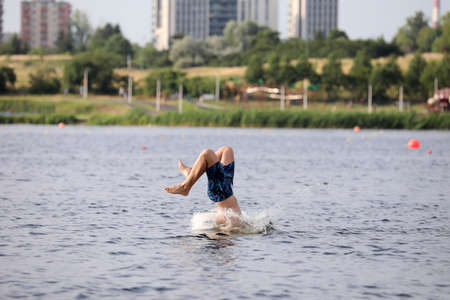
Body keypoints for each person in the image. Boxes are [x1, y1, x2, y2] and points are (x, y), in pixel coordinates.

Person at [164, 146, 242, 228]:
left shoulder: (230, 223)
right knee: (226, 150)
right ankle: (192, 173)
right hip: (227, 189)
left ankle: (185, 187)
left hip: (221, 192)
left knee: (207, 153)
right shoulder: (236, 222)